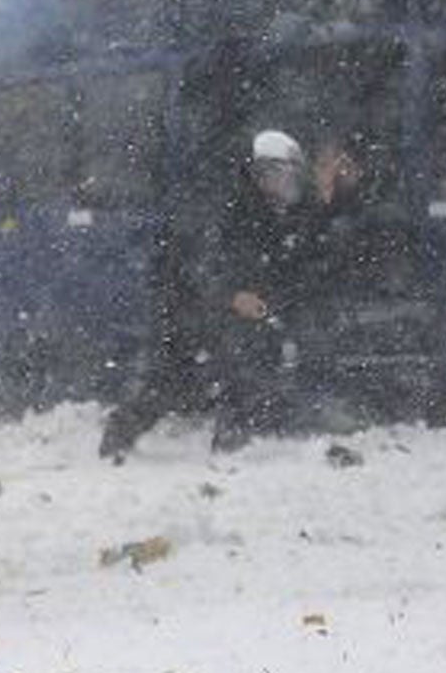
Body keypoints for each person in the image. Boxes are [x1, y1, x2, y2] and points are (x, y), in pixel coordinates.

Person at [101, 128, 316, 458]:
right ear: (262, 173)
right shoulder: (224, 206)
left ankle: (232, 446)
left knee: (237, 377)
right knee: (176, 381)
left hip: (224, 313)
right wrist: (232, 295)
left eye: (292, 179)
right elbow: (199, 264)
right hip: (190, 309)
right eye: (282, 177)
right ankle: (119, 440)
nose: (288, 187)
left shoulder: (268, 210)